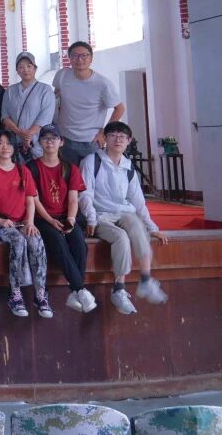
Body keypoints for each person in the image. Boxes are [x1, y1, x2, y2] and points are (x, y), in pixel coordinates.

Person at [81, 121, 169, 315]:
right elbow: (85, 194)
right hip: (100, 215)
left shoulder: (129, 167)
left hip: (123, 212)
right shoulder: (92, 161)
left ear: (129, 141)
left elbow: (138, 201)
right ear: (105, 138)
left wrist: (152, 228)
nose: (118, 139)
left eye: (122, 136)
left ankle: (145, 280)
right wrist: (91, 219)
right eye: (113, 135)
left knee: (138, 227)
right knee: (121, 237)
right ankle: (119, 289)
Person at [0, 131, 51, 318]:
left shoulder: (23, 171)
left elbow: (30, 201)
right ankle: (15, 293)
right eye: (0, 143)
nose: (5, 147)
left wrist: (30, 222)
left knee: (36, 240)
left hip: (20, 222)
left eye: (8, 143)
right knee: (18, 240)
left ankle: (41, 294)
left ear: (14, 147)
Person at [28, 125, 97, 314]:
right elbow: (34, 200)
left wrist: (71, 220)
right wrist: (50, 221)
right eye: (45, 138)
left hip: (67, 217)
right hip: (42, 218)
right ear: (39, 142)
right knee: (58, 241)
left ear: (61, 142)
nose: (49, 142)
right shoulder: (31, 167)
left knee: (79, 244)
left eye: (54, 138)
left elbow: (74, 199)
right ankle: (80, 290)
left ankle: (76, 291)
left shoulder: (70, 168)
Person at [53, 42, 125, 165]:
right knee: (67, 175)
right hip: (64, 138)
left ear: (91, 58)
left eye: (84, 55)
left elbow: (120, 108)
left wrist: (104, 133)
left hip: (90, 141)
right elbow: (55, 96)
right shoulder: (62, 75)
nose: (79, 59)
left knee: (91, 175)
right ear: (69, 58)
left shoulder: (103, 84)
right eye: (75, 55)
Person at [1, 51, 56, 160]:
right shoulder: (10, 90)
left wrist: (28, 135)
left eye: (29, 66)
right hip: (14, 143)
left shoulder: (45, 89)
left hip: (37, 143)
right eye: (21, 67)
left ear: (35, 68)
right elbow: (5, 116)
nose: (25, 70)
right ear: (17, 70)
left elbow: (46, 116)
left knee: (37, 168)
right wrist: (19, 132)